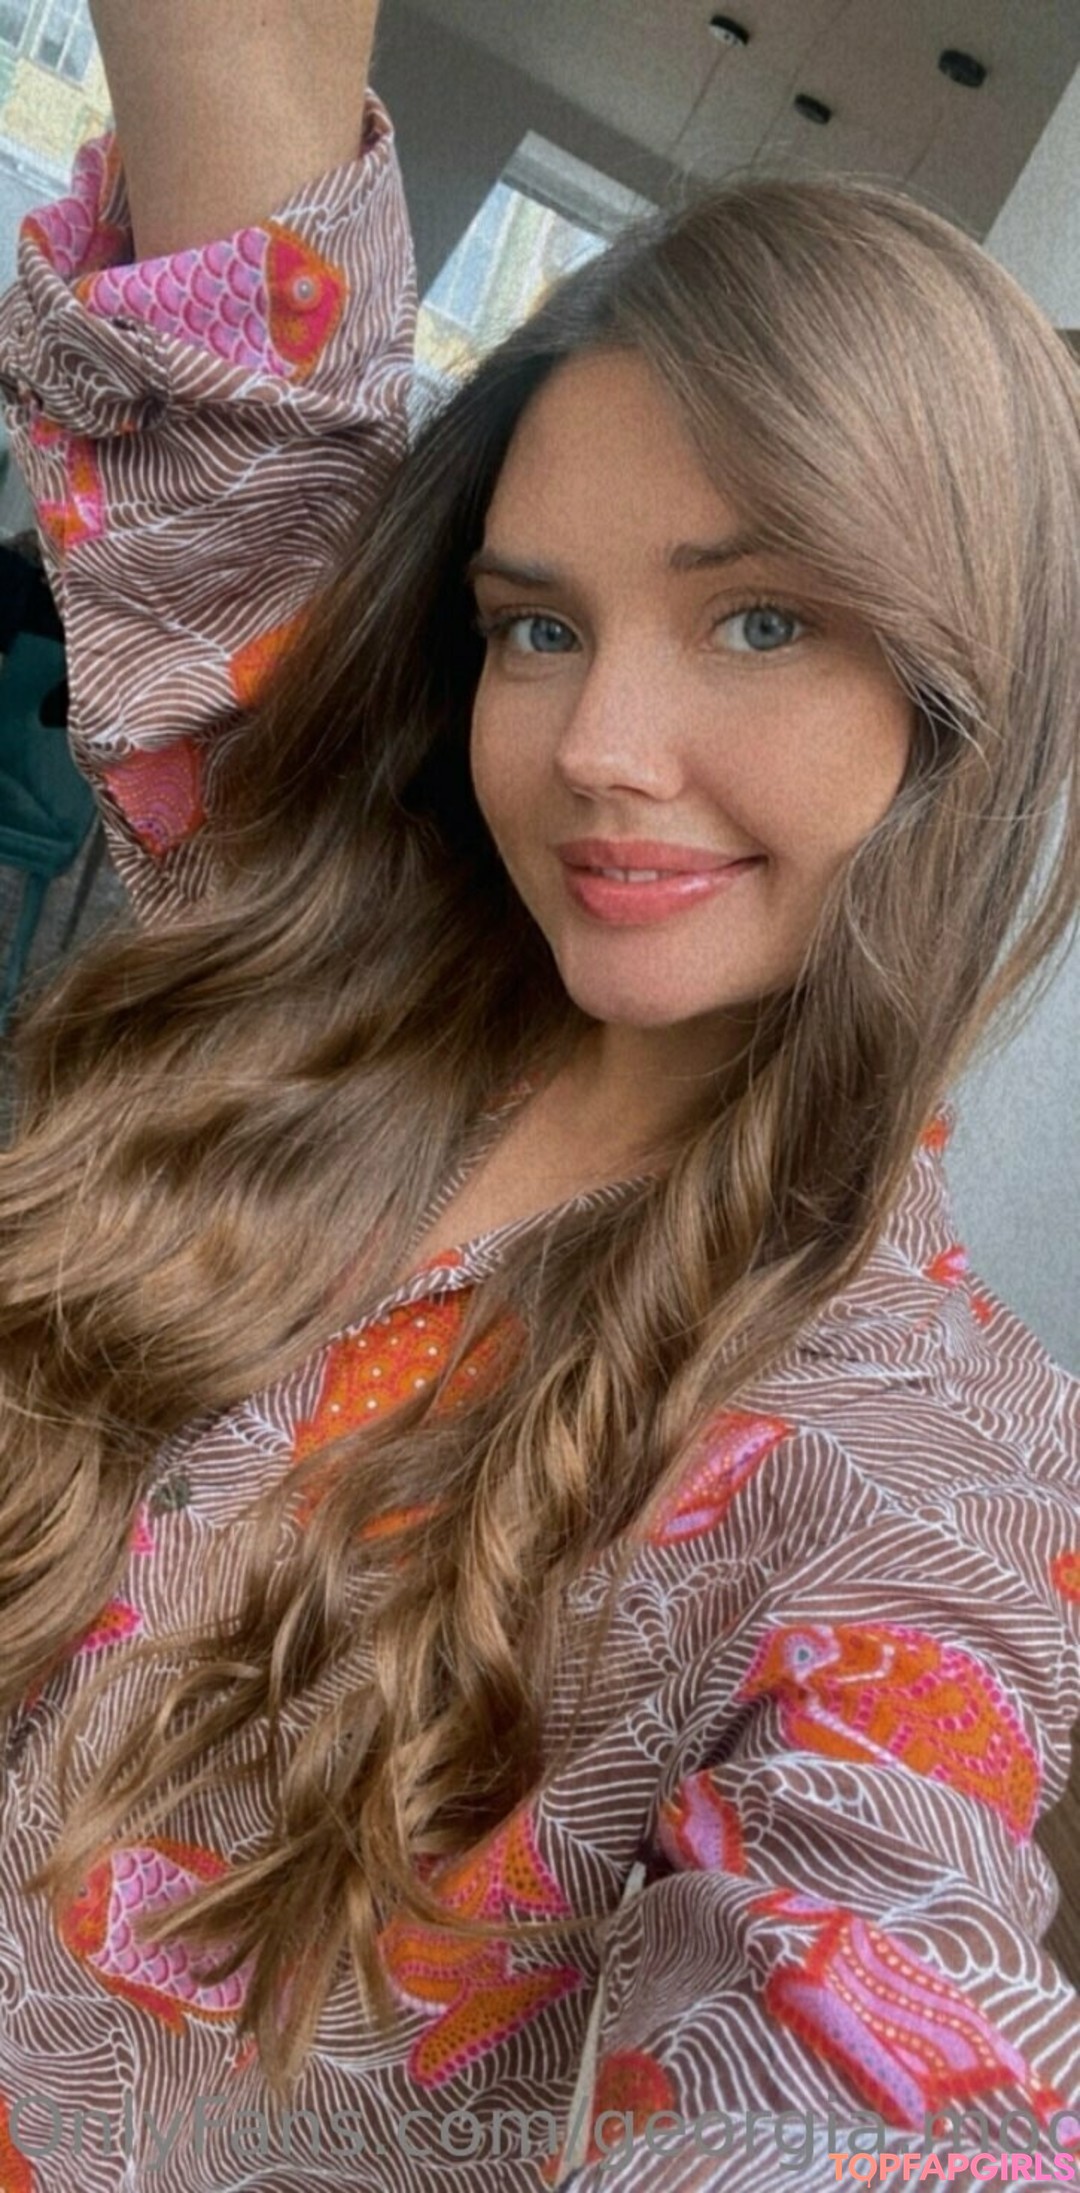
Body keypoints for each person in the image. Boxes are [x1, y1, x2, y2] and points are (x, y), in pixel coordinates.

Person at [0, 3, 1077, 2187]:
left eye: (758, 623)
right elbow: (245, 343)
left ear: (963, 696)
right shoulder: (319, 928)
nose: (596, 747)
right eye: (539, 627)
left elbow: (864, 2041)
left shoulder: (927, 1475)